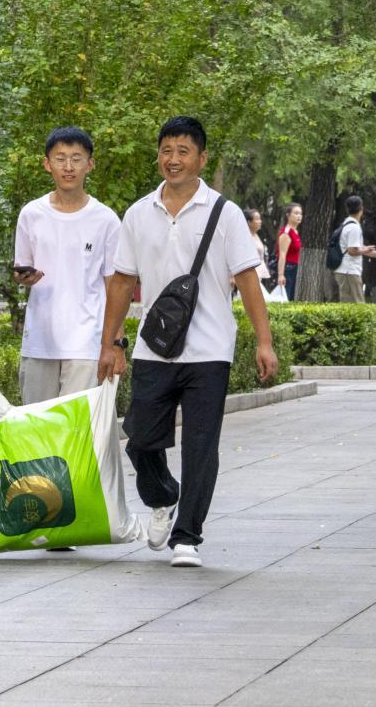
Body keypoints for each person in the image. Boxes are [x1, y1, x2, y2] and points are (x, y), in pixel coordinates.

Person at [98, 116, 278, 569]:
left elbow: (247, 279)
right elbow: (122, 281)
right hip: (154, 347)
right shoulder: (139, 213)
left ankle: (187, 536)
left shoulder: (225, 213)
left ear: (202, 158)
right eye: (166, 150)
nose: (173, 159)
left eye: (183, 151)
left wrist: (264, 341)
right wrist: (111, 343)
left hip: (210, 349)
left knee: (200, 445)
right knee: (140, 438)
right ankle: (164, 496)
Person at [12, 126, 121, 404]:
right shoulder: (31, 214)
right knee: (38, 425)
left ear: (90, 164)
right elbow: (21, 267)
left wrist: (116, 344)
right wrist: (24, 278)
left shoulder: (106, 219)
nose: (68, 167)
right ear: (47, 164)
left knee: (78, 426)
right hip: (40, 340)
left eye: (76, 158)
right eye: (60, 159)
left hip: (87, 344)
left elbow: (115, 286)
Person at [335, 195, 376, 303]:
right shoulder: (354, 228)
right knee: (358, 305)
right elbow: (352, 251)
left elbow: (356, 249)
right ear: (361, 208)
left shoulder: (346, 224)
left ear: (347, 209)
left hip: (344, 270)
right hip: (349, 272)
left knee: (348, 305)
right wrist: (364, 250)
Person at [276, 202, 302, 299]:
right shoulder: (286, 233)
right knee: (286, 296)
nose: (299, 216)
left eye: (300, 214)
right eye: (296, 213)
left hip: (295, 267)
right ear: (288, 215)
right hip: (288, 268)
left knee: (292, 297)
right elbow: (282, 254)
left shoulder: (296, 231)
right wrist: (281, 275)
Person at [244, 208, 271, 288]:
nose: (260, 221)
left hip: (259, 270)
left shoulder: (256, 235)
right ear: (249, 222)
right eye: (257, 219)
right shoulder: (246, 236)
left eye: (260, 219)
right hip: (251, 271)